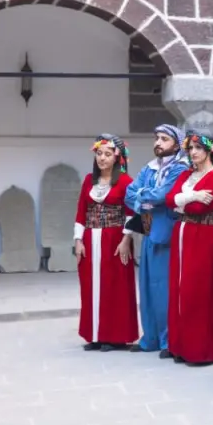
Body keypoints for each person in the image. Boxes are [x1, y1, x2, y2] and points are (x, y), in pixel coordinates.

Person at [166, 130, 213, 366]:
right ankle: (179, 345)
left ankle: (200, 349)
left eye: (198, 148)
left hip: (202, 235)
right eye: (190, 149)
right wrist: (190, 196)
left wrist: (182, 200)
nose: (193, 153)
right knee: (179, 288)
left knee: (196, 290)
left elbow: (200, 210)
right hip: (180, 233)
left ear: (210, 150)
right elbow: (170, 200)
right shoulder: (185, 175)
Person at [125, 124, 188, 357]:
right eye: (156, 138)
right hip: (149, 232)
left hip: (167, 234)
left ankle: (167, 339)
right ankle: (149, 337)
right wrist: (146, 198)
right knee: (147, 288)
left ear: (177, 144)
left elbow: (163, 195)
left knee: (164, 289)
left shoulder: (180, 169)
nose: (158, 143)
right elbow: (129, 194)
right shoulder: (149, 169)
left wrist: (144, 197)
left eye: (164, 139)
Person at [73, 134, 138, 352]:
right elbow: (81, 211)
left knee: (114, 287)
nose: (102, 158)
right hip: (91, 239)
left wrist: (126, 239)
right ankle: (94, 335)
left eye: (107, 154)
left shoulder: (126, 182)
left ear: (117, 157)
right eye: (99, 154)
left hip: (114, 240)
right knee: (90, 285)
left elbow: (130, 213)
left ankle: (114, 336)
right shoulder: (87, 181)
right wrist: (78, 240)